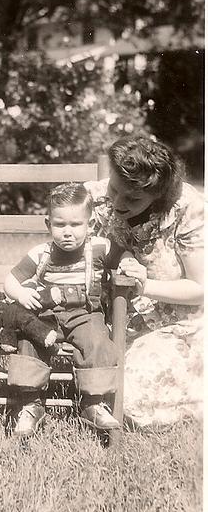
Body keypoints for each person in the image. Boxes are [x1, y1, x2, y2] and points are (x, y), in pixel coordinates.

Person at [85, 135, 204, 428]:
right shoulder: (96, 199)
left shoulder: (188, 209)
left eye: (133, 198)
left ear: (159, 196)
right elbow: (69, 239)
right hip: (114, 323)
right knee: (110, 388)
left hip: (177, 328)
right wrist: (120, 253)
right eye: (115, 188)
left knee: (128, 397)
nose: (117, 202)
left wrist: (145, 286)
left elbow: (200, 289)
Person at [3, 182, 120, 437]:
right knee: (29, 339)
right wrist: (22, 294)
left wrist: (130, 262)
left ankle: (93, 403)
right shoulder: (40, 253)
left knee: (98, 341)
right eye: (60, 225)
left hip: (85, 314)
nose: (68, 232)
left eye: (76, 225)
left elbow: (125, 257)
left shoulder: (101, 247)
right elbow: (10, 281)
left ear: (89, 224)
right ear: (48, 224)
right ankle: (31, 405)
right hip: (47, 316)